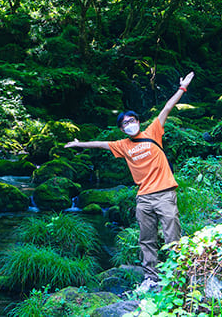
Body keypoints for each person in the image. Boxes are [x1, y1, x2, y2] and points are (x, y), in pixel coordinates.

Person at [65, 71, 195, 292]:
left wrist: (182, 88)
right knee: (147, 239)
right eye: (125, 123)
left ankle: (178, 276)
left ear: (138, 121)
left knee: (173, 235)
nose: (129, 124)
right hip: (143, 197)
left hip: (164, 194)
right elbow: (101, 144)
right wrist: (79, 144)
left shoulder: (153, 132)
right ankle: (151, 278)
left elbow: (166, 108)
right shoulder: (123, 145)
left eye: (132, 120)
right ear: (122, 129)